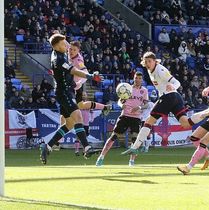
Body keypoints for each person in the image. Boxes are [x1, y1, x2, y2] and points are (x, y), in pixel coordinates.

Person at [120, 52, 208, 156]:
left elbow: (177, 82)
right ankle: (208, 112)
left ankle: (135, 147)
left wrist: (173, 87)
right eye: (146, 61)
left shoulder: (160, 70)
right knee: (185, 123)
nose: (148, 63)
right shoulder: (150, 70)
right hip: (175, 97)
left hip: (168, 97)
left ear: (155, 61)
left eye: (150, 61)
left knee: (149, 121)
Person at [39, 33, 102, 164]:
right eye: (63, 44)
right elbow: (73, 70)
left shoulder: (60, 53)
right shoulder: (59, 59)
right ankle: (87, 147)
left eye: (66, 42)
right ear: (56, 46)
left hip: (66, 91)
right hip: (64, 93)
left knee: (69, 124)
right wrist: (90, 76)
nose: (66, 45)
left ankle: (48, 146)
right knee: (78, 116)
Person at [65, 40, 111, 156]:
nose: (71, 51)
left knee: (69, 112)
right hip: (71, 84)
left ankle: (56, 141)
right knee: (80, 106)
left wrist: (79, 84)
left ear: (78, 51)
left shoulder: (79, 61)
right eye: (70, 49)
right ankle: (104, 107)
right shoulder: (68, 50)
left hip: (76, 86)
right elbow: (65, 43)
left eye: (74, 50)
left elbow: (86, 74)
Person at [96, 72, 148, 167]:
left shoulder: (144, 91)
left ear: (142, 79)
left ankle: (131, 162)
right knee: (113, 137)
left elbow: (146, 104)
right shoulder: (128, 88)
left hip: (136, 118)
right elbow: (120, 100)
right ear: (134, 78)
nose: (138, 80)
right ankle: (101, 158)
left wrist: (139, 107)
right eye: (136, 78)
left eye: (140, 78)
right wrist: (121, 105)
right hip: (125, 115)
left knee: (135, 140)